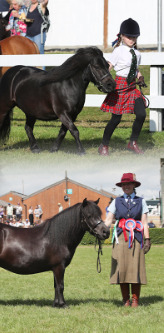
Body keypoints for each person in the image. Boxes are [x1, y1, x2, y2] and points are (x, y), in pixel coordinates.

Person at [99, 18, 146, 156]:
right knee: (116, 119)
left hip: (132, 88)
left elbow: (135, 69)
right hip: (120, 86)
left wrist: (140, 77)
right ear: (122, 36)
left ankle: (132, 142)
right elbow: (109, 66)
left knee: (142, 114)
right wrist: (103, 78)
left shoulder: (137, 54)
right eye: (129, 36)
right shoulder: (118, 51)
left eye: (134, 37)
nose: (132, 39)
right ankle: (104, 145)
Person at [103, 173, 151, 307]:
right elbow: (108, 220)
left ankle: (135, 300)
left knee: (136, 269)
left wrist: (147, 239)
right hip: (120, 239)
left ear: (134, 185)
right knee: (122, 269)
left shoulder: (141, 201)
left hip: (137, 239)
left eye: (128, 184)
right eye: (123, 184)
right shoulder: (116, 201)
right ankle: (126, 300)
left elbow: (144, 222)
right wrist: (100, 231)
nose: (126, 186)